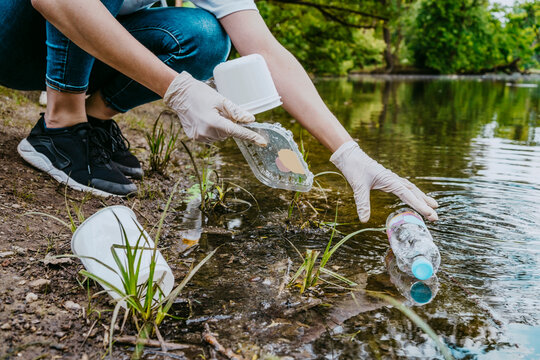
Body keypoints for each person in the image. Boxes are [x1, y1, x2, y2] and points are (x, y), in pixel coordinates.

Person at [0, 0, 438, 223]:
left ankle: (92, 122)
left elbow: (266, 51)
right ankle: (61, 123)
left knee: (205, 37)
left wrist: (347, 152)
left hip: (75, 46)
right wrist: (178, 90)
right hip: (14, 37)